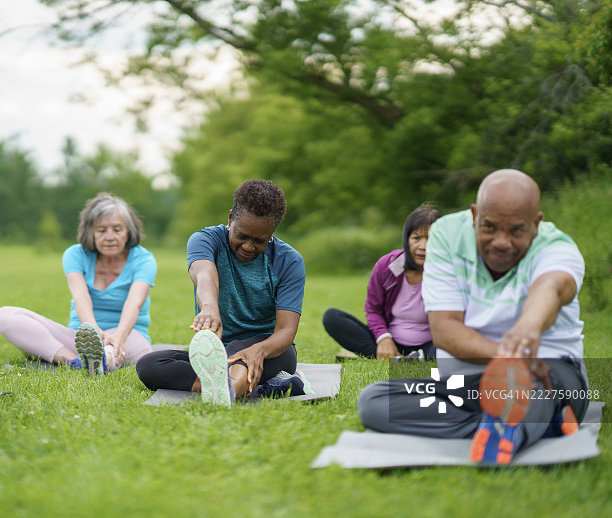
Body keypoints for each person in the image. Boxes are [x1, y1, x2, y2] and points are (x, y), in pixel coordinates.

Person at [358, 169, 590, 465]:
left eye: (516, 230)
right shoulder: (447, 236)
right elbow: (445, 330)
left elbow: (552, 287)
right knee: (375, 401)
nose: (501, 241)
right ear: (474, 216)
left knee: (531, 388)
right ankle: (530, 425)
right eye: (489, 227)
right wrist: (509, 357)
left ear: (535, 225)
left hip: (547, 373)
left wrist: (529, 326)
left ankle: (518, 420)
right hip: (469, 383)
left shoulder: (557, 247)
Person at [136, 179, 308, 406]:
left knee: (237, 350)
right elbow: (204, 275)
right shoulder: (206, 240)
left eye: (260, 240)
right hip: (219, 352)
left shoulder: (289, 261)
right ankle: (245, 387)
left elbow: (286, 331)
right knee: (149, 364)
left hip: (271, 352)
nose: (248, 246)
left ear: (272, 232)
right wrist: (209, 307)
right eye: (242, 236)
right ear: (230, 218)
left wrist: (259, 350)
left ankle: (228, 391)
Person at [0, 193, 156, 375]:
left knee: (113, 347)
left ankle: (104, 361)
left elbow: (134, 303)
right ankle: (75, 361)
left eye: (117, 230)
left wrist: (119, 335)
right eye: (101, 230)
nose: (110, 237)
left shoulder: (144, 259)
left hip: (128, 335)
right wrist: (93, 330)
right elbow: (80, 297)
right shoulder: (75, 255)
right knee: (5, 316)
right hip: (84, 337)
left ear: (128, 232)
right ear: (90, 232)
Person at [323, 204, 441, 361]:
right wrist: (384, 338)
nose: (423, 246)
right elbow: (373, 310)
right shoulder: (387, 266)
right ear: (406, 239)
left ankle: (411, 358)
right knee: (332, 317)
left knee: (452, 345)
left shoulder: (448, 272)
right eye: (416, 238)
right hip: (389, 341)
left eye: (431, 239)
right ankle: (397, 356)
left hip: (432, 344)